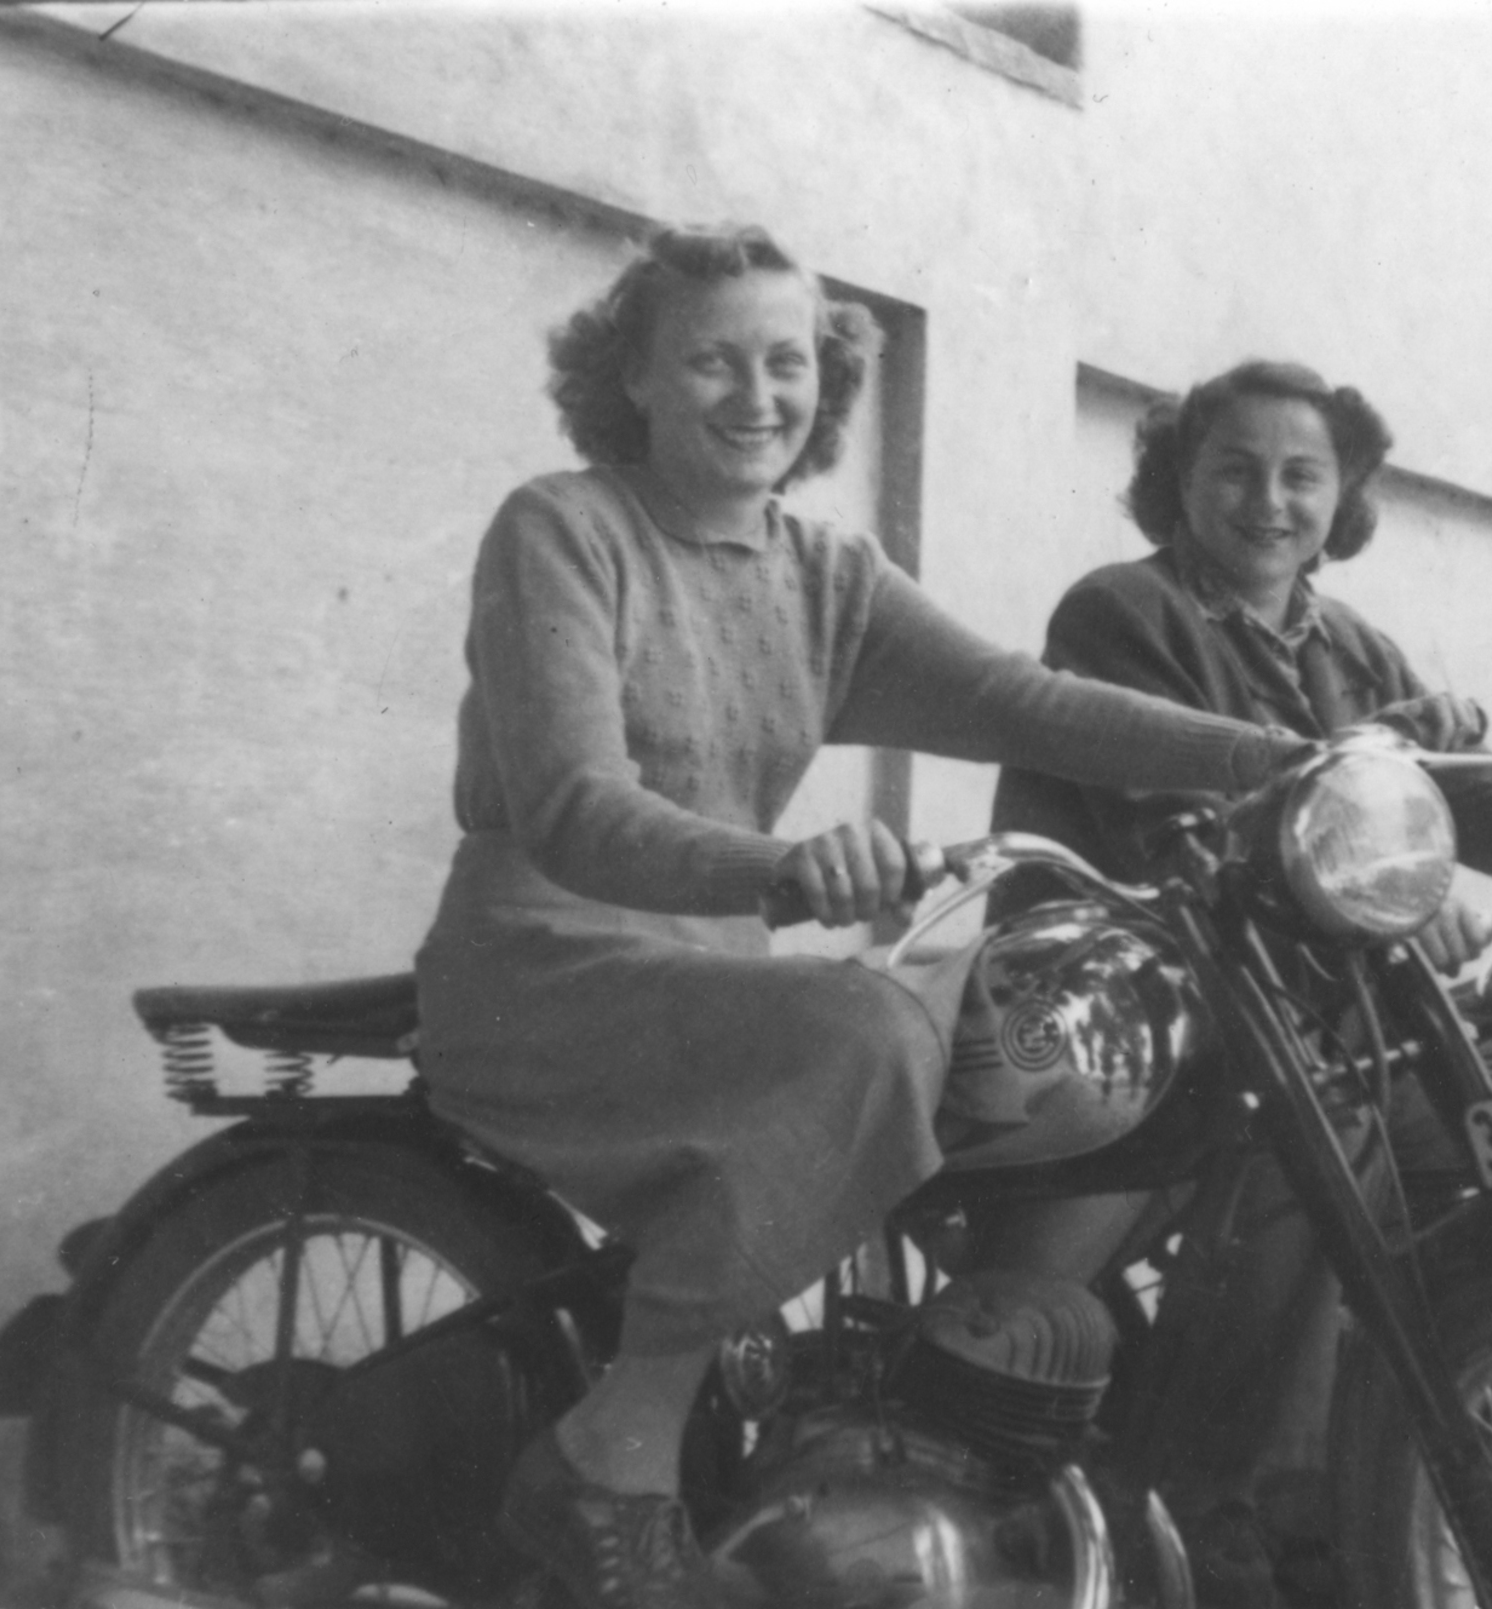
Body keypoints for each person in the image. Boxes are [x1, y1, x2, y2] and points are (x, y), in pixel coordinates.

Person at [411, 229, 1304, 1609]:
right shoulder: (564, 529)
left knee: (1026, 1053)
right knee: (871, 1030)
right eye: (712, 360)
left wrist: (1278, 759)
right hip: (545, 962)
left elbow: (1025, 703)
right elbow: (577, 807)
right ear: (633, 376)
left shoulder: (825, 572)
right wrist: (780, 871)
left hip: (710, 974)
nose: (757, 394)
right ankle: (615, 1445)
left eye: (788, 362)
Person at [988, 358, 1492, 1607]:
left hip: (1308, 1016)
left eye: (1302, 476)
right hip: (1129, 1022)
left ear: (1341, 495)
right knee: (1317, 1138)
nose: (1270, 501)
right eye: (1235, 470)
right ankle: (1230, 1512)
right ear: (1178, 481)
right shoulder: (1122, 613)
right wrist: (1389, 864)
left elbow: (1484, 796)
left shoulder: (1349, 646)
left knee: (1490, 1139)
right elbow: (1187, 821)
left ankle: (1484, 1445)